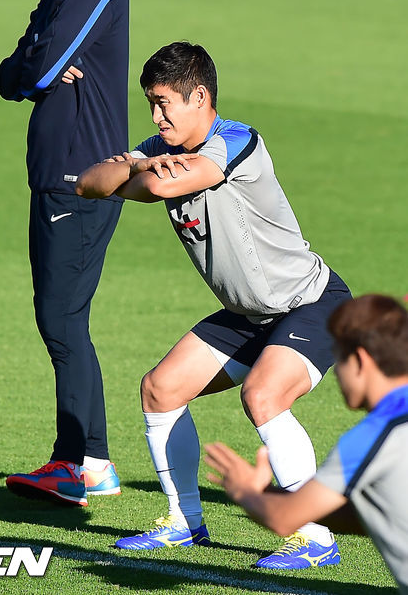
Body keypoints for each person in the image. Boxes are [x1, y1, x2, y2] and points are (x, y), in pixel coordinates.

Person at [76, 41, 351, 566]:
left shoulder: (237, 141)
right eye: (150, 104)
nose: (155, 117)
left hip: (313, 304)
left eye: (163, 103)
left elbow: (168, 184)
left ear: (199, 97)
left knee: (263, 394)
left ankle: (314, 537)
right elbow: (89, 184)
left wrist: (134, 170)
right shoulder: (158, 147)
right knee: (160, 389)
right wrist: (140, 164)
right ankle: (184, 522)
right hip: (251, 315)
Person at [0, 0, 129, 507]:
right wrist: (35, 64)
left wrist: (37, 64)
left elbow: (38, 67)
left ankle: (73, 462)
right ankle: (91, 461)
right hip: (60, 175)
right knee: (64, 317)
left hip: (81, 179)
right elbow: (11, 74)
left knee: (60, 318)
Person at [205, 295, 408, 591]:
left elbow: (283, 519)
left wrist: (247, 493)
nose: (337, 375)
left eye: (339, 359)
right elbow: (373, 516)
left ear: (360, 360)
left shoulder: (376, 436)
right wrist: (267, 492)